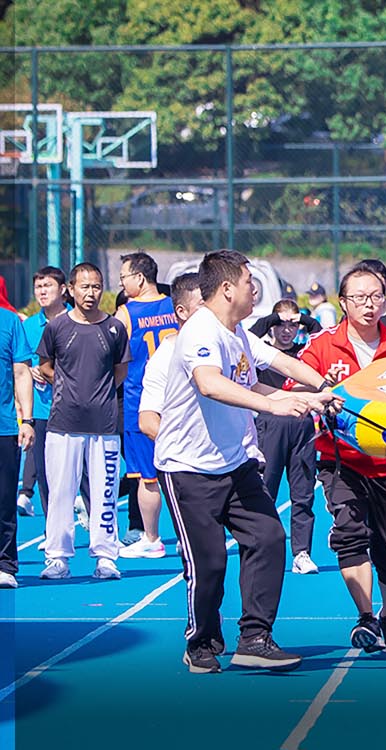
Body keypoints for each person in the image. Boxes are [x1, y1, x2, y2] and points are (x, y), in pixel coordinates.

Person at [153, 251, 334, 673]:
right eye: (250, 283)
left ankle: (254, 638)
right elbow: (210, 384)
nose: (256, 291)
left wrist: (322, 389)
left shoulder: (238, 333)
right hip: (187, 468)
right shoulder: (200, 330)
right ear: (227, 288)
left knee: (269, 538)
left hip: (235, 464)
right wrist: (274, 405)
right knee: (209, 563)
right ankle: (200, 641)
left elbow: (277, 365)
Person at [302, 266, 386, 653]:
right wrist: (318, 401)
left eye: (376, 296)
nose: (369, 305)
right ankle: (365, 617)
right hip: (340, 460)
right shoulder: (321, 346)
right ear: (343, 302)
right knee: (349, 531)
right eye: (360, 298)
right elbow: (295, 385)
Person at [36, 263, 130, 580]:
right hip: (63, 423)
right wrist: (68, 387)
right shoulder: (57, 327)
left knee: (105, 493)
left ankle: (106, 557)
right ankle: (58, 557)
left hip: (104, 424)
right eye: (85, 286)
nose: (91, 293)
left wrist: (98, 393)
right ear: (71, 289)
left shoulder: (114, 328)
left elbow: (120, 370)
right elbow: (46, 366)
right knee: (61, 492)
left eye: (96, 286)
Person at [246, 299, 322, 574]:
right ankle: (262, 547)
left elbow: (321, 334)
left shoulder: (304, 354)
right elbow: (249, 336)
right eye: (281, 325)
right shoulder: (261, 353)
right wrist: (272, 319)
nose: (287, 331)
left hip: (302, 426)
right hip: (271, 424)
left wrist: (304, 319)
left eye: (292, 326)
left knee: (303, 493)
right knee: (266, 490)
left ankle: (301, 552)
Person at [113, 252, 178, 559]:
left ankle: (152, 537)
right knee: (185, 471)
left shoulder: (126, 314)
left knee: (147, 477)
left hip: (141, 401)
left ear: (139, 278)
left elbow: (109, 355)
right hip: (177, 400)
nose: (121, 284)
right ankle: (190, 532)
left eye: (123, 277)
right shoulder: (176, 306)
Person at [17, 267, 65, 516]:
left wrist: (52, 371)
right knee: (45, 474)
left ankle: (98, 527)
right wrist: (32, 369)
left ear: (63, 289)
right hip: (41, 410)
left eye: (48, 286)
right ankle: (51, 527)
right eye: (38, 287)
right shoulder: (28, 326)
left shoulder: (77, 320)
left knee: (83, 473)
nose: (42, 292)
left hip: (73, 409)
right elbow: (20, 364)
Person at [0, 284, 33, 589]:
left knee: (4, 500)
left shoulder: (9, 322)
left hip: (5, 426)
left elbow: (22, 373)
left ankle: (5, 564)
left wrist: (28, 420)